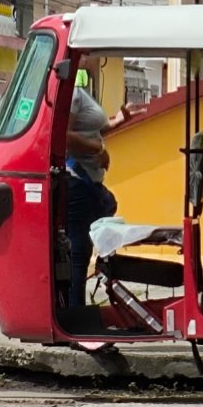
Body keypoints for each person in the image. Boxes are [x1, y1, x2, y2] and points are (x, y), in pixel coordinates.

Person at [63, 54, 144, 308]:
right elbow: (63, 136)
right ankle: (74, 312)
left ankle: (76, 306)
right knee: (78, 250)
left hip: (89, 180)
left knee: (89, 238)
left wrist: (117, 121)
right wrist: (97, 149)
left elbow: (91, 130)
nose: (99, 57)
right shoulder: (74, 93)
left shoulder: (84, 90)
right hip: (78, 179)